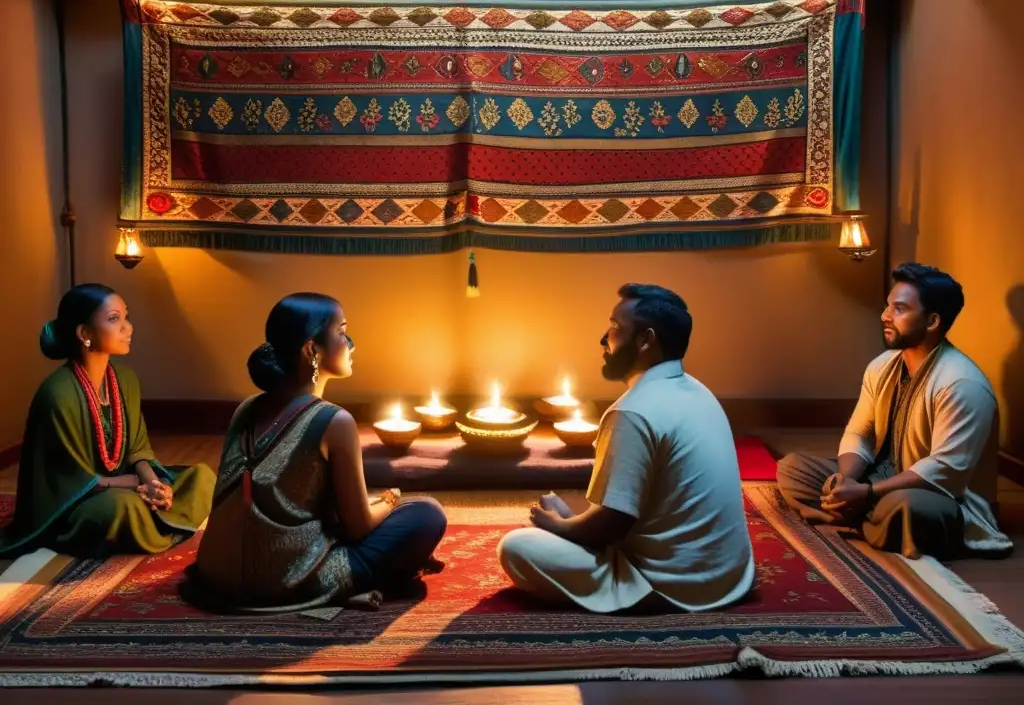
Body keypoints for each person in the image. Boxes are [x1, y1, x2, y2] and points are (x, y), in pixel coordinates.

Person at [181, 293, 447, 613]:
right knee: (426, 514)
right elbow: (358, 527)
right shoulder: (335, 421)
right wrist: (389, 501)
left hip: (216, 574)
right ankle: (346, 588)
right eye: (342, 332)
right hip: (287, 580)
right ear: (311, 349)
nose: (351, 343)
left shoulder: (246, 408)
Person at [498, 284, 755, 613]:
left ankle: (633, 596)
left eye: (616, 328)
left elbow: (614, 523)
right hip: (731, 576)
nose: (604, 338)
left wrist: (559, 527)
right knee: (572, 513)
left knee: (516, 547)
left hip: (672, 585)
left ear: (646, 340)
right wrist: (573, 521)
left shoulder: (631, 412)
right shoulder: (700, 391)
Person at [776, 262, 1012, 560]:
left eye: (899, 309)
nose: (885, 316)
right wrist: (847, 480)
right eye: (888, 306)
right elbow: (859, 433)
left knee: (904, 509)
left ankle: (858, 515)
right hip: (874, 484)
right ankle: (867, 519)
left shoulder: (961, 383)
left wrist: (868, 494)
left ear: (932, 321)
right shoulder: (883, 366)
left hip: (941, 498)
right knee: (793, 468)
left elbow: (945, 471)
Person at [0, 284, 214, 558]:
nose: (128, 328)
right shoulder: (58, 393)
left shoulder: (125, 380)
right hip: (80, 501)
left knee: (202, 477)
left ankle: (150, 519)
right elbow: (73, 481)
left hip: (129, 484)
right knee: (121, 507)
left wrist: (154, 483)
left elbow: (138, 449)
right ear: (85, 334)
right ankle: (151, 522)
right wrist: (138, 484)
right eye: (114, 319)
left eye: (126, 317)